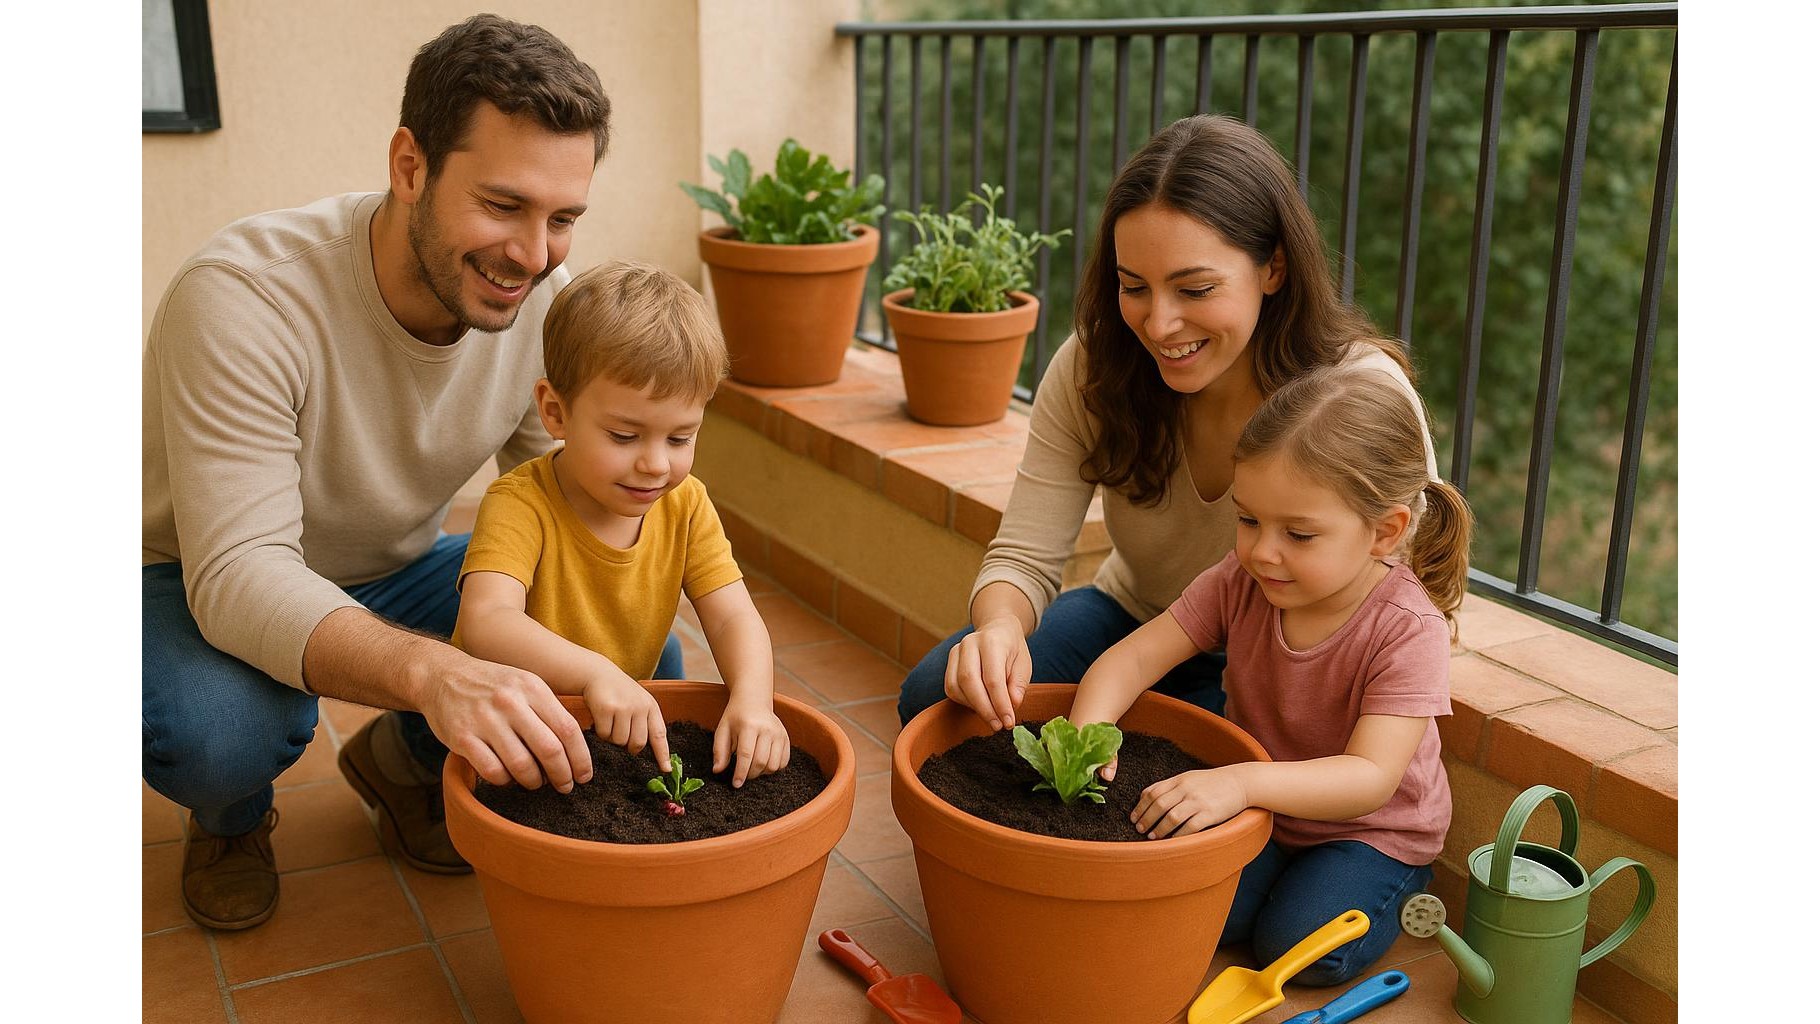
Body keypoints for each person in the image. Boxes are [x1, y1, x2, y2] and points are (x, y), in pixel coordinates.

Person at [142, 14, 620, 931]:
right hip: (193, 577)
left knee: (620, 641)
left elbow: (564, 505)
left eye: (563, 219)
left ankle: (403, 760)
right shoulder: (244, 298)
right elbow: (240, 575)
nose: (531, 254)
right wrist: (437, 675)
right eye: (503, 204)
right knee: (225, 731)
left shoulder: (536, 299)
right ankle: (231, 816)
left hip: (394, 566)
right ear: (411, 166)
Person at [897, 113, 1436, 729]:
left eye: (1196, 289)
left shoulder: (1360, 396)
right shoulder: (1091, 367)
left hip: (1286, 660)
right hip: (1136, 620)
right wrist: (997, 631)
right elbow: (1023, 555)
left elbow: (1405, 600)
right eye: (1134, 287)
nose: (1158, 325)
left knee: (1166, 773)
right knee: (939, 706)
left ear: (1273, 268)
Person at [1068, 365, 1470, 986]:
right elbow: (1132, 658)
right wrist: (1089, 734)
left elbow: (1368, 779)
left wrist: (1240, 784)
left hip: (1368, 831)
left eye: (1299, 534)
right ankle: (1278, 881)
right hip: (1260, 807)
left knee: (1295, 948)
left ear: (1383, 532)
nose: (1262, 551)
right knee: (1186, 906)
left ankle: (1395, 883)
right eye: (1248, 519)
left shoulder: (1407, 628)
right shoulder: (1242, 580)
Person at [451, 261, 791, 787]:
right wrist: (594, 673)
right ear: (555, 412)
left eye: (680, 439)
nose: (656, 463)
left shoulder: (686, 504)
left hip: (609, 720)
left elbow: (731, 619)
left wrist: (753, 702)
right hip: (525, 730)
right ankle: (399, 754)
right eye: (625, 436)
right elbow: (486, 621)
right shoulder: (520, 503)